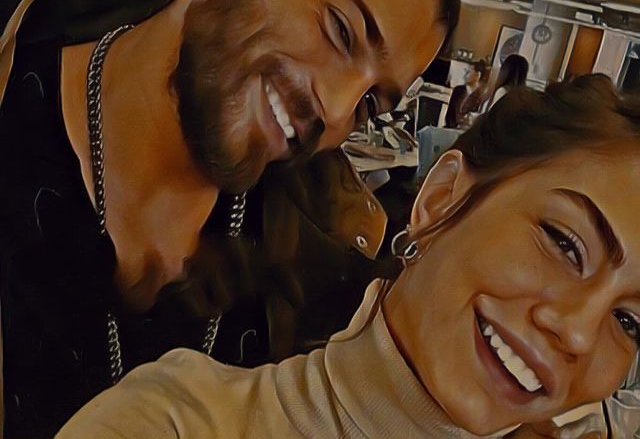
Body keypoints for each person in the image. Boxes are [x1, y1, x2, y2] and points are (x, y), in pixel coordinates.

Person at [0, 0, 460, 437]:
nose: (338, 109)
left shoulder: (306, 256)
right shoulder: (16, 106)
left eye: (370, 103)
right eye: (341, 31)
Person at [56, 74, 639, 439]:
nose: (578, 332)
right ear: (440, 199)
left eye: (630, 321)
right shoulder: (177, 423)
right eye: (565, 244)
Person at [444, 59, 488, 128]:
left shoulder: (481, 96)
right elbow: (449, 114)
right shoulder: (458, 90)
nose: (464, 75)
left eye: (468, 72)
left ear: (477, 75)